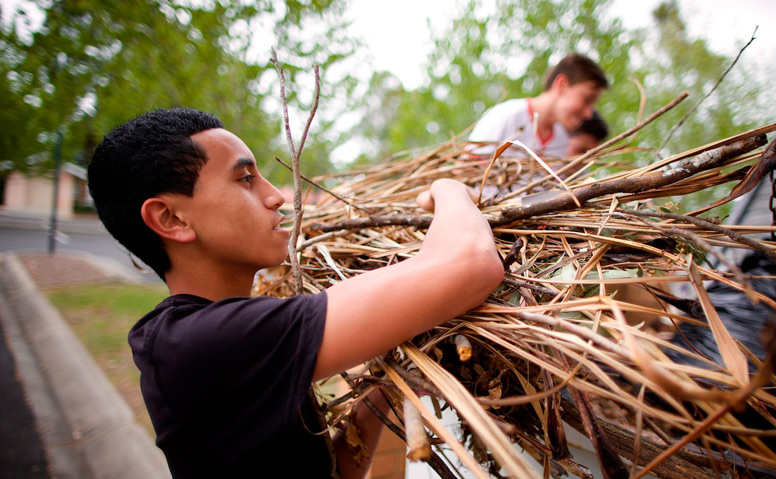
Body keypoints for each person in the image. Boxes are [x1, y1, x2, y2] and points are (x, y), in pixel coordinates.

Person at [87, 108, 503, 479]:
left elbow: (331, 469)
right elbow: (469, 265)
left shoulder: (222, 339)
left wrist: (393, 382)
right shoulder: (201, 342)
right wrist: (449, 190)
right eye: (245, 178)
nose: (275, 196)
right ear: (172, 218)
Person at [469, 53, 608, 157]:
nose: (589, 113)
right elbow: (466, 172)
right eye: (587, 100)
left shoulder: (562, 140)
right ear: (562, 84)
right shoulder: (505, 116)